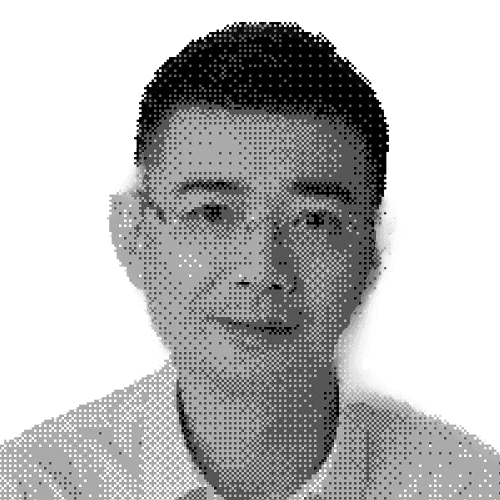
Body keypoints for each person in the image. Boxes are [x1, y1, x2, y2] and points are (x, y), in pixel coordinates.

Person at [1, 21, 498, 500]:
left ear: (375, 254)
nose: (262, 271)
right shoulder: (36, 484)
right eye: (211, 213)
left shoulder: (465, 485)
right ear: (132, 239)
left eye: (314, 221)